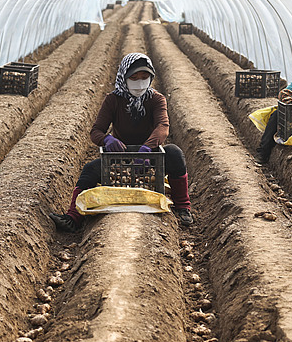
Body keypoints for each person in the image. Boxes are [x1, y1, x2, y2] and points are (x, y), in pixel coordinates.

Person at [49, 53, 194, 232]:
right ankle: (73, 217)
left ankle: (183, 207)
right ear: (124, 77)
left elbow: (163, 126)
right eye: (133, 78)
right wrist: (107, 139)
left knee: (175, 154)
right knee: (90, 170)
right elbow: (96, 131)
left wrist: (147, 149)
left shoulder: (156, 99)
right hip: (118, 159)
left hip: (149, 159)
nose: (139, 83)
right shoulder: (113, 100)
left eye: (144, 77)